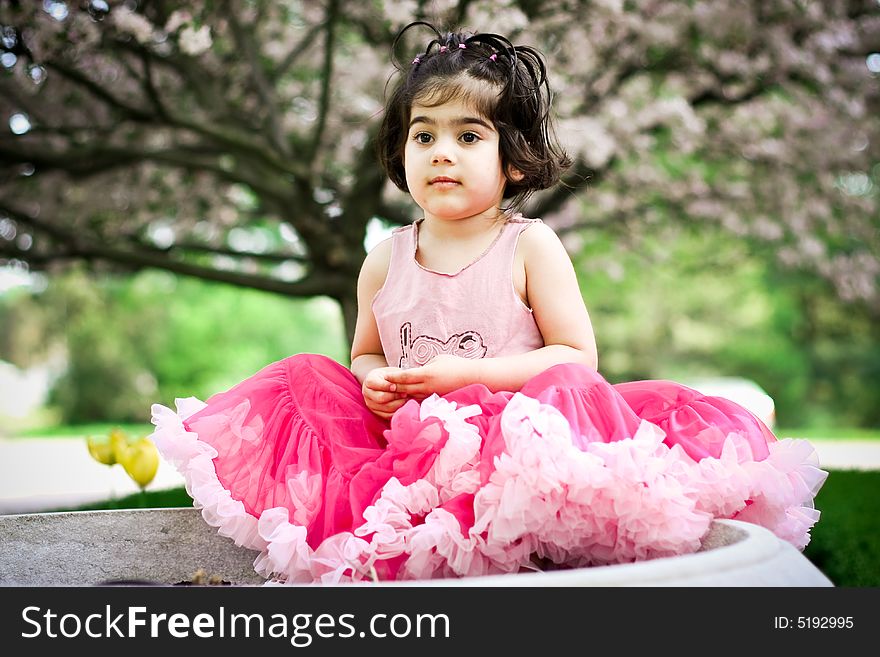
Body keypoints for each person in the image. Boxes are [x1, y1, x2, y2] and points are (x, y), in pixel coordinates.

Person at [150, 22, 827, 584]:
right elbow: (366, 348)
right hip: (403, 452)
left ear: (516, 160)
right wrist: (373, 380)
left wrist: (462, 376)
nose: (443, 153)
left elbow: (577, 356)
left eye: (468, 136)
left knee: (565, 384)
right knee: (304, 373)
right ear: (401, 152)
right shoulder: (385, 256)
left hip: (513, 452)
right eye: (425, 135)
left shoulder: (529, 247)